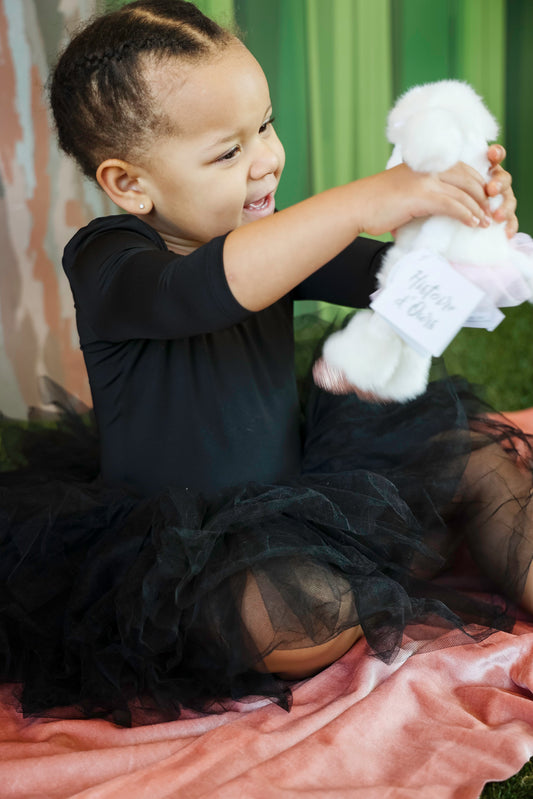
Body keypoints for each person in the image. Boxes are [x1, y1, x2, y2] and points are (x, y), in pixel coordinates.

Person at [0, 0, 531, 725]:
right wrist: (360, 200)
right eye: (227, 151)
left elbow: (390, 277)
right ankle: (386, 564)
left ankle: (417, 554)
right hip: (183, 547)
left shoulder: (274, 234)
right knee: (295, 612)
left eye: (266, 125)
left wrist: (457, 228)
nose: (267, 157)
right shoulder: (109, 257)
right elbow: (202, 289)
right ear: (130, 184)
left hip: (301, 487)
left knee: (473, 453)